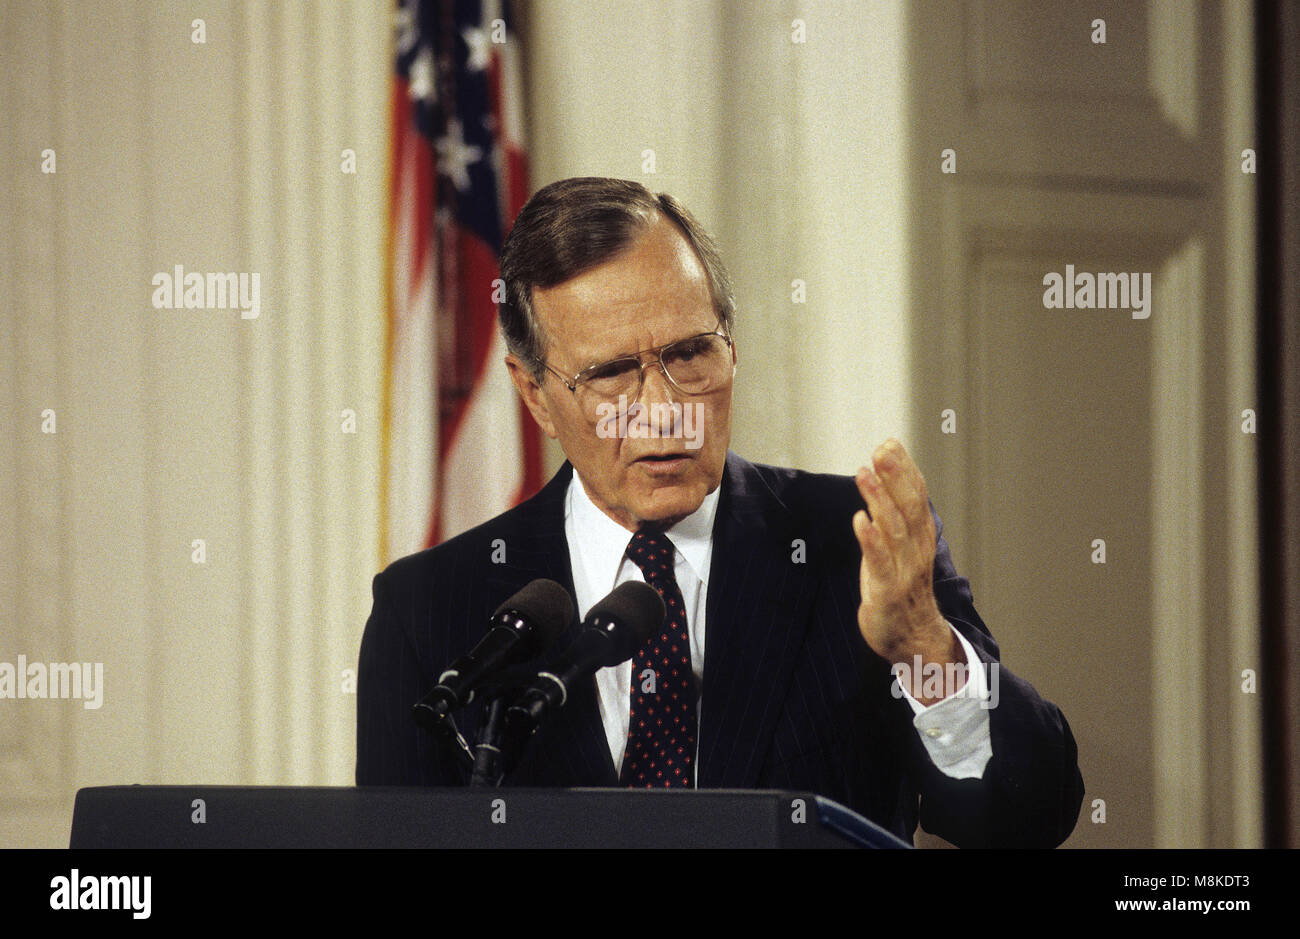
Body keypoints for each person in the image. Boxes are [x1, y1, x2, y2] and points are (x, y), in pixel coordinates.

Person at [357, 176, 1084, 847]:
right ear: (535, 393)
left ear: (731, 350)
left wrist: (926, 650)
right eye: (611, 373)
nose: (666, 410)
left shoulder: (851, 547)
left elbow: (1028, 815)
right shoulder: (428, 610)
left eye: (690, 353)